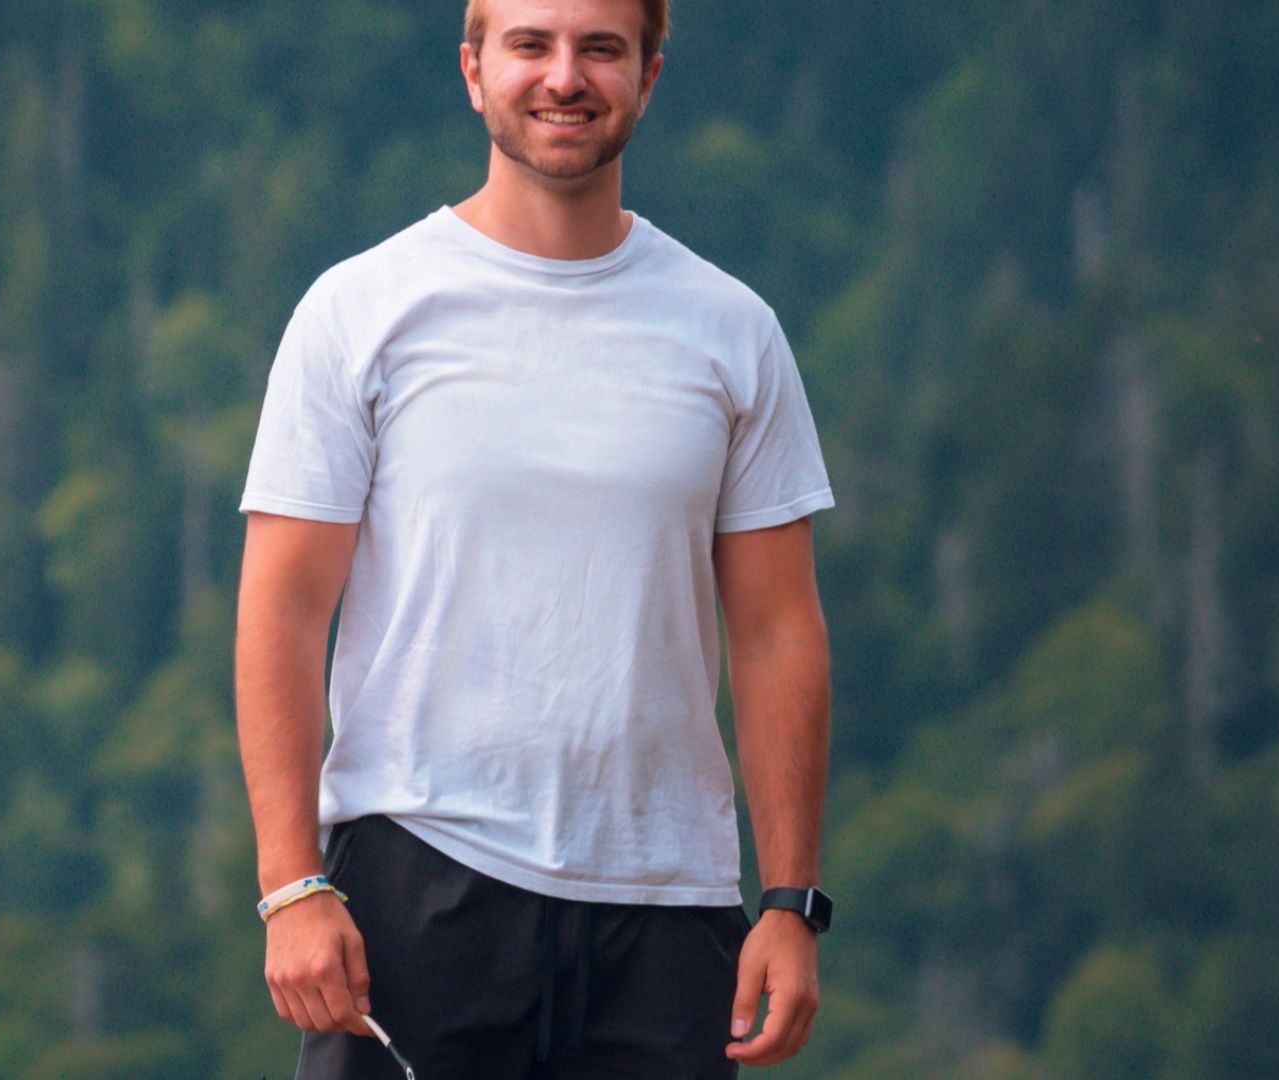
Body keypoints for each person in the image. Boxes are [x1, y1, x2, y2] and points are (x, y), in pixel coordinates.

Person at [236, 0, 834, 1074]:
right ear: (474, 71)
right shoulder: (363, 311)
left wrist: (789, 901)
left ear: (650, 76)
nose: (566, 77)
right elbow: (282, 609)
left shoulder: (730, 331)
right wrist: (291, 887)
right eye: (531, 46)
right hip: (415, 894)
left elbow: (779, 629)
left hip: (667, 910)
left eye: (602, 48)